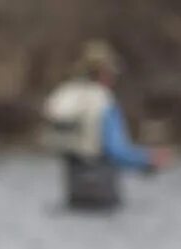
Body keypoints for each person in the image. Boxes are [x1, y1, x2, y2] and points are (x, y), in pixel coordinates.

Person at [40, 40, 172, 210]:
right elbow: (115, 150)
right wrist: (148, 159)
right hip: (102, 190)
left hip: (73, 187)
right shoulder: (103, 101)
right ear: (103, 73)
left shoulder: (66, 94)